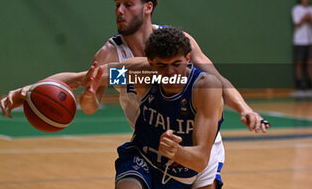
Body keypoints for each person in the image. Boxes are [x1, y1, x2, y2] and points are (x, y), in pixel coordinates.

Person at [0, 0, 269, 133]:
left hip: (195, 135)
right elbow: (81, 83)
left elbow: (217, 81)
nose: (119, 11)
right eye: (117, 5)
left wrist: (246, 110)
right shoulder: (111, 55)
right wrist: (26, 92)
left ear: (148, 7)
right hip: (149, 142)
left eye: (128, 4)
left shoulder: (178, 43)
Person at [84, 26, 225, 189]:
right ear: (150, 62)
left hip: (187, 166)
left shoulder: (205, 87)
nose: (170, 72)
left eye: (176, 64)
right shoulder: (140, 73)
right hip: (143, 157)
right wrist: (84, 91)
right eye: (162, 65)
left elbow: (200, 160)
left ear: (187, 59)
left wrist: (176, 151)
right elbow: (89, 78)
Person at [291, 0, 312, 92]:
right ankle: (299, 83)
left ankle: (310, 83)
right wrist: (304, 18)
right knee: (299, 62)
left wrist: (310, 19)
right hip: (299, 40)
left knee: (310, 62)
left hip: (310, 40)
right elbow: (297, 23)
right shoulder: (296, 9)